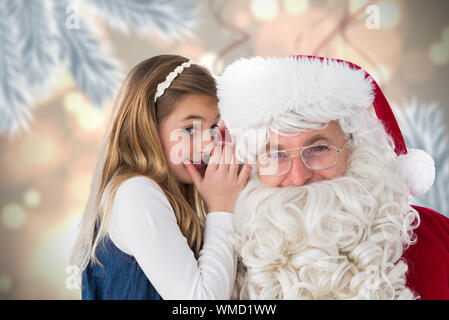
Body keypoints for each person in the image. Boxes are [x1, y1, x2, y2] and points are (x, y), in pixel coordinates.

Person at [216, 55, 449, 300]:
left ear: (355, 148)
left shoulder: (437, 239)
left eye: (318, 149)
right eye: (276, 155)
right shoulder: (220, 260)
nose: (298, 176)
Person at [70, 54, 251, 299]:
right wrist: (221, 210)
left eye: (212, 128)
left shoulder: (167, 194)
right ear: (147, 129)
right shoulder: (136, 192)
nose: (209, 144)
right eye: (189, 129)